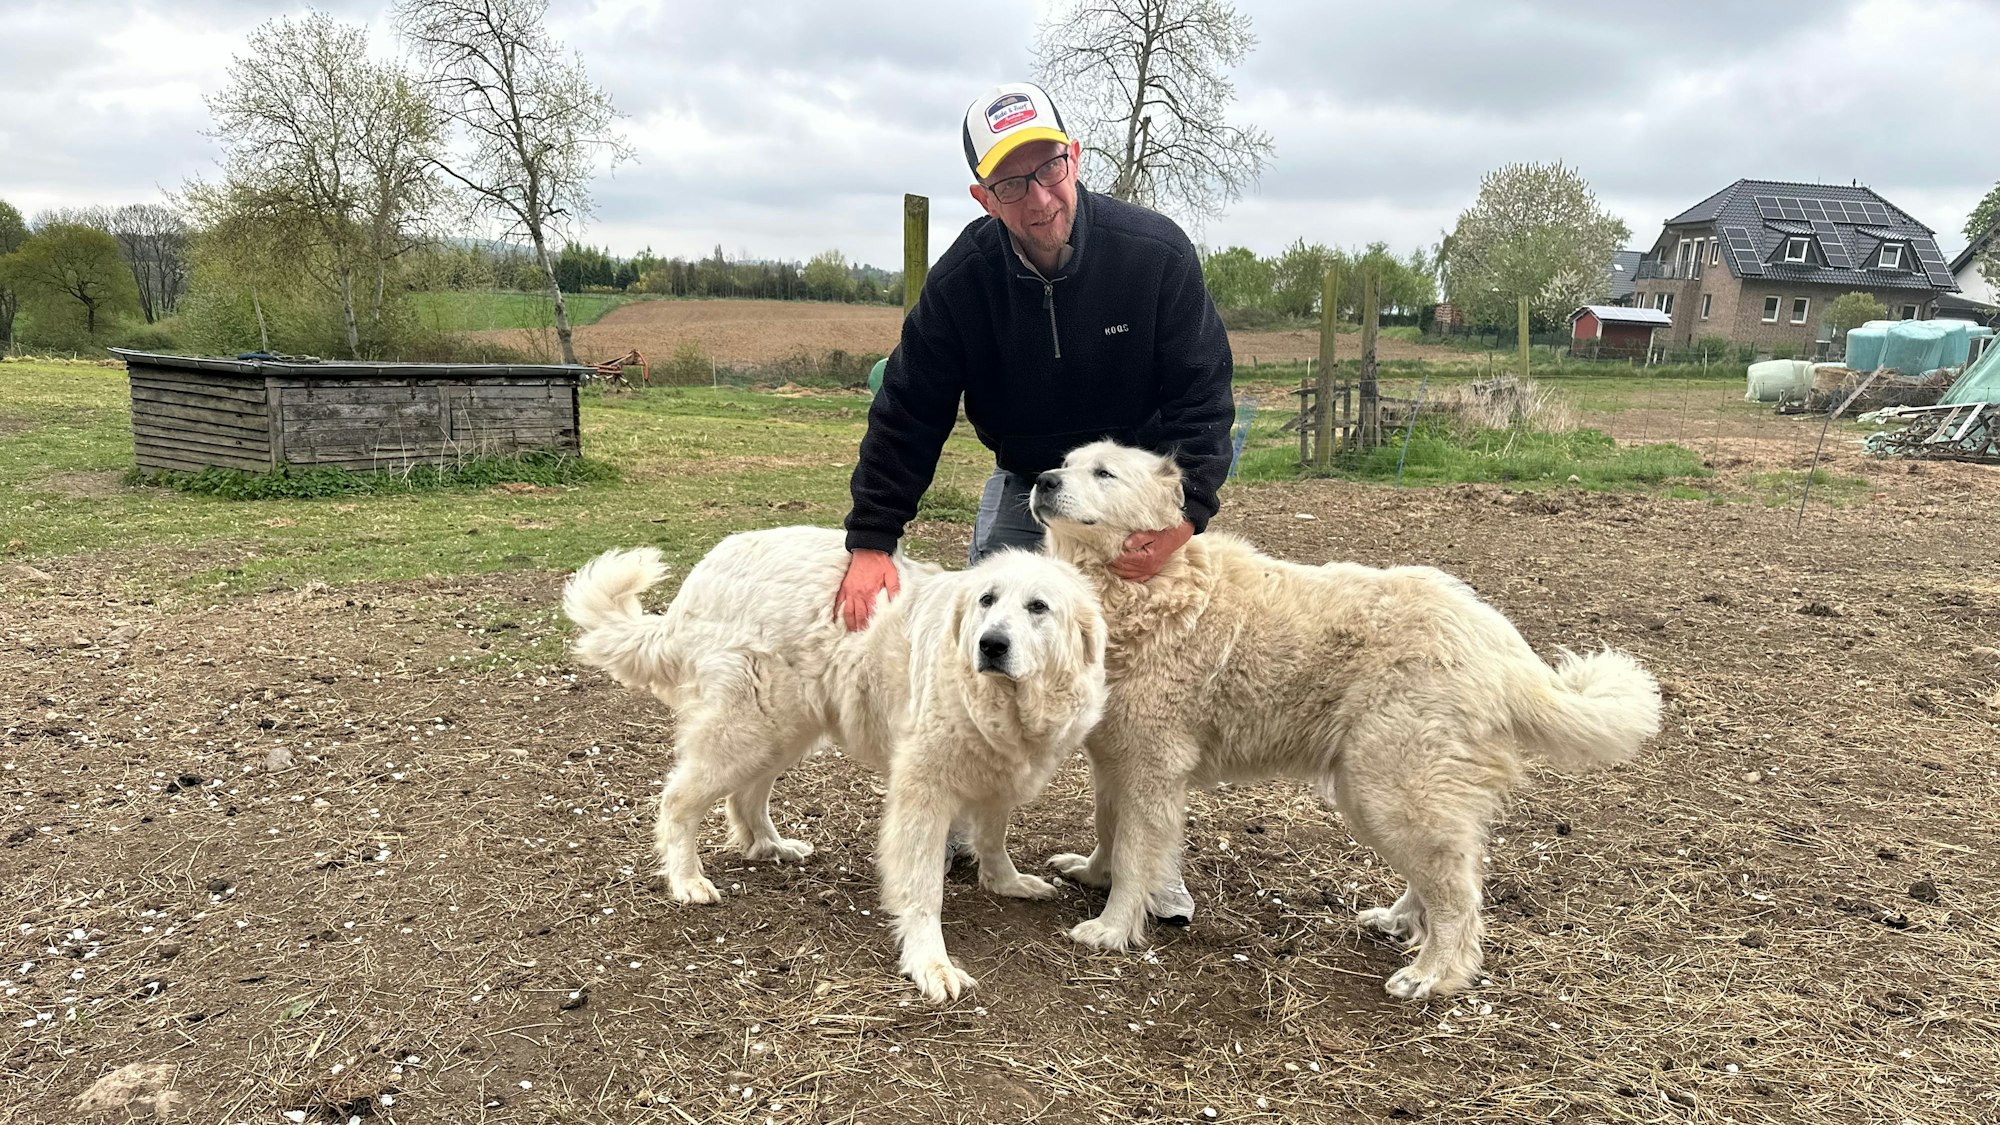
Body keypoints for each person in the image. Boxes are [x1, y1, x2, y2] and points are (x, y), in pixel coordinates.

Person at [833, 81, 1235, 924]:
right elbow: (910, 405)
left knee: (1142, 690)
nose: (1039, 195)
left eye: (1048, 167)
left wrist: (1185, 517)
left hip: (1133, 505)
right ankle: (951, 813)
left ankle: (1145, 866)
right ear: (983, 196)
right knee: (985, 647)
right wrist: (873, 538)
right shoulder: (965, 281)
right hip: (1029, 490)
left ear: (1074, 158)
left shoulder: (1152, 254)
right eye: (1011, 182)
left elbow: (1204, 399)